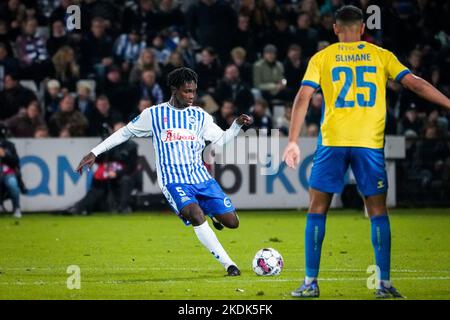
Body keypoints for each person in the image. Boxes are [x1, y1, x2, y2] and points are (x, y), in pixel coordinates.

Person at [282, 5, 450, 299]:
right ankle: (382, 285)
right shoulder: (380, 55)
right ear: (362, 29)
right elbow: (416, 84)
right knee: (377, 211)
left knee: (317, 209)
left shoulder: (322, 58)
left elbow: (303, 97)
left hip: (332, 143)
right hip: (369, 144)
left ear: (335, 28)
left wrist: (293, 140)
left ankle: (310, 283)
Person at [76, 67, 253, 276]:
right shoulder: (154, 115)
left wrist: (236, 126)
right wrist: (94, 152)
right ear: (174, 89)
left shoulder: (200, 116)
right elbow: (124, 133)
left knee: (232, 223)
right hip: (173, 181)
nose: (191, 96)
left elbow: (221, 140)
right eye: (187, 91)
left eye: (194, 91)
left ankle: (212, 213)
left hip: (201, 178)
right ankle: (229, 265)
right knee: (195, 214)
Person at [69, 122, 139, 215]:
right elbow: (98, 158)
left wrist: (117, 173)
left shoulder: (132, 146)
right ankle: (79, 207)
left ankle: (123, 207)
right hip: (106, 172)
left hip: (122, 174)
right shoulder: (107, 141)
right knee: (97, 188)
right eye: (117, 129)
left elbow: (131, 166)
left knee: (126, 180)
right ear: (113, 130)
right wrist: (91, 157)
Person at [0, 124, 27, 218]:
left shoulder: (10, 146)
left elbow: (16, 161)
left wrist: (5, 155)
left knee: (13, 185)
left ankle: (16, 209)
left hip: (8, 173)